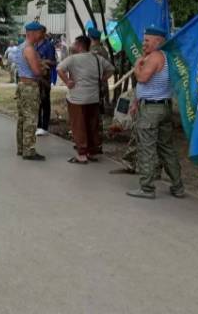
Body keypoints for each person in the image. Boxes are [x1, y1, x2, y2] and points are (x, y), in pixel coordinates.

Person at [126, 26, 184, 200]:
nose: (143, 44)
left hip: (151, 110)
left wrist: (137, 66)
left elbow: (142, 78)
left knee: (147, 148)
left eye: (147, 40)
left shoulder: (155, 57)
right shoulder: (166, 57)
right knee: (166, 148)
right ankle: (178, 186)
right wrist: (136, 101)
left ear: (158, 41)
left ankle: (147, 188)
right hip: (162, 107)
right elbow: (147, 86)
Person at [57, 35, 114, 164]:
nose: (72, 46)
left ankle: (82, 154)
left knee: (79, 125)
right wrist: (101, 79)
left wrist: (67, 82)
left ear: (79, 45)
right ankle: (92, 151)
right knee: (92, 125)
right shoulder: (97, 58)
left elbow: (59, 69)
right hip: (93, 98)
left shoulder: (72, 59)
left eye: (74, 44)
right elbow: (111, 69)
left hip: (77, 99)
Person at [8, 22, 46, 160]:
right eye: (40, 32)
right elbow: (36, 71)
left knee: (22, 119)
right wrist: (42, 69)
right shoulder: (29, 49)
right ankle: (29, 150)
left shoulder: (20, 47)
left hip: (22, 85)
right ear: (33, 33)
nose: (41, 35)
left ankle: (21, 147)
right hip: (30, 87)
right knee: (30, 119)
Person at [33, 24, 56, 136]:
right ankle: (37, 125)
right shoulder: (34, 44)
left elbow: (53, 62)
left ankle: (44, 127)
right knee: (37, 102)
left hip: (44, 78)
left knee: (45, 101)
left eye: (37, 32)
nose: (35, 34)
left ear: (42, 33)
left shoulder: (49, 45)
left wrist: (42, 60)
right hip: (35, 77)